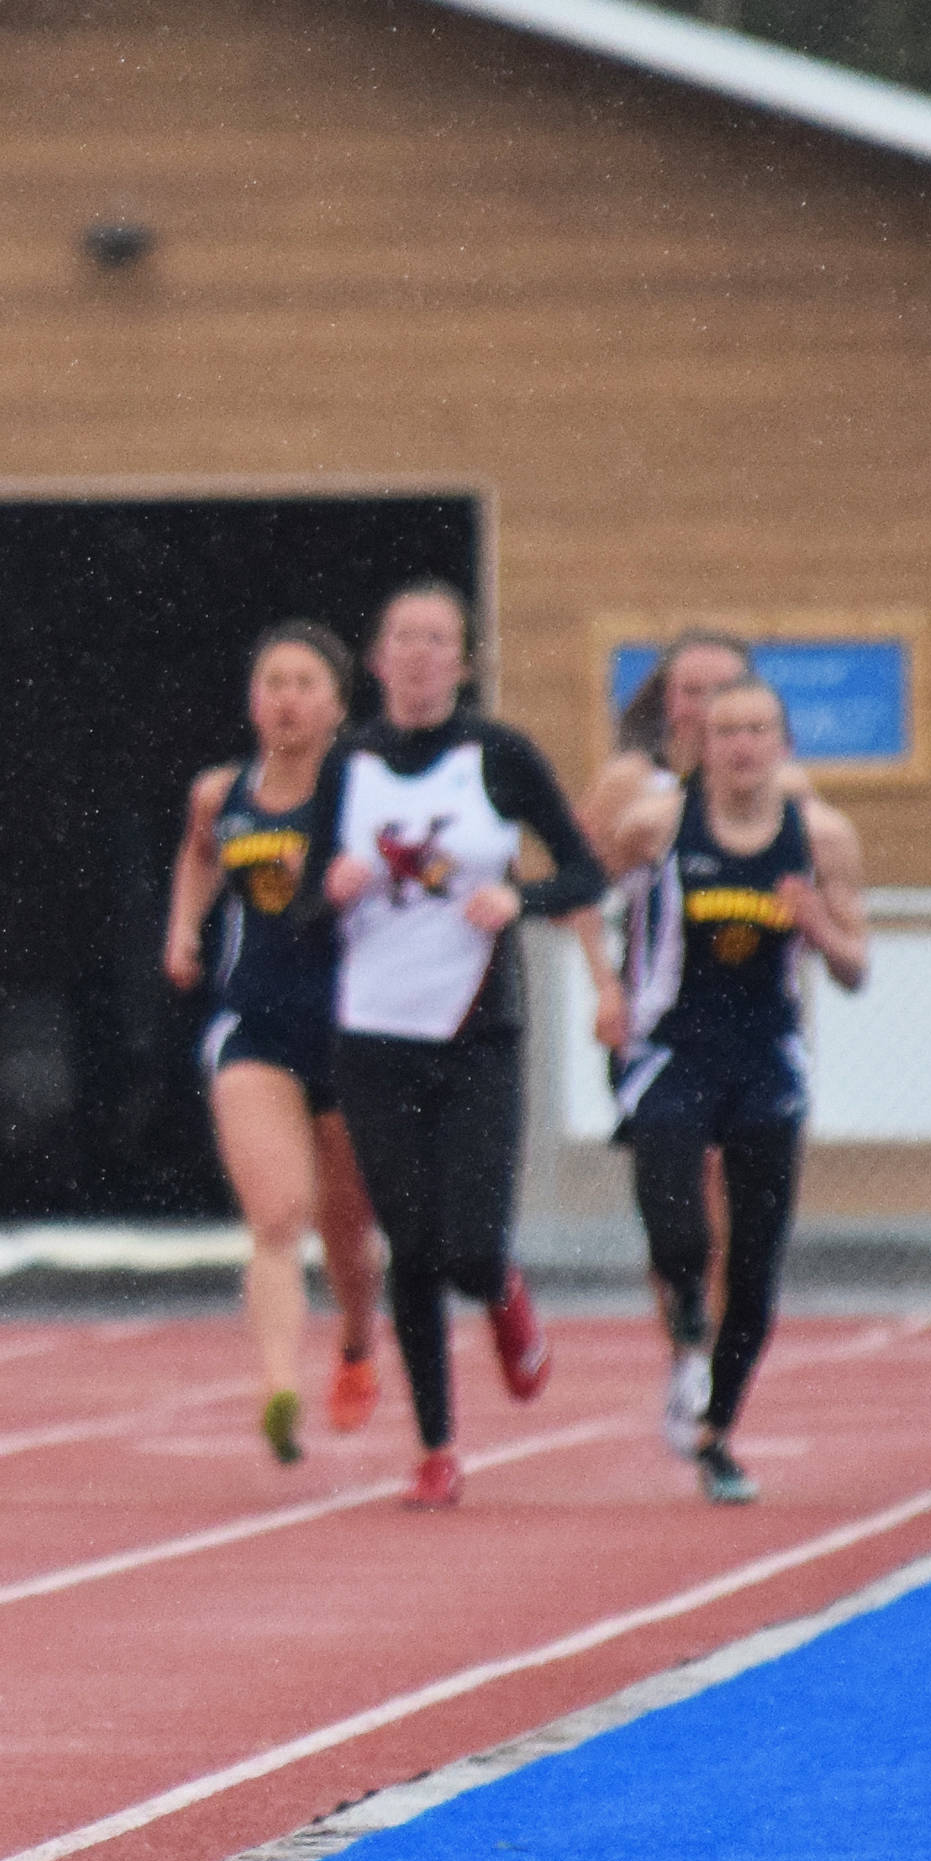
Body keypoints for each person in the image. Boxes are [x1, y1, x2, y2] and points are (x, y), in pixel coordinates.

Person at [300, 581, 607, 1508]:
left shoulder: (499, 756)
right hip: (374, 1033)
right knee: (414, 1247)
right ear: (379, 660)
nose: (423, 654)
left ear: (464, 662)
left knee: (471, 1244)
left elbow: (586, 869)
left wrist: (521, 899)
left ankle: (504, 1292)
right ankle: (436, 1446)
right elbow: (302, 910)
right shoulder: (346, 762)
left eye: (440, 639)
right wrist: (335, 889)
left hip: (477, 1031)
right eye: (405, 638)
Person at [607, 675, 867, 1503]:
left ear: (784, 743)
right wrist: (610, 988)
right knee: (673, 1209)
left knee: (754, 1265)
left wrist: (816, 924)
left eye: (758, 729)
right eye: (726, 731)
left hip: (766, 1058)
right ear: (703, 746)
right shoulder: (655, 826)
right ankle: (683, 1299)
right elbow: (595, 895)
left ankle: (718, 1431)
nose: (743, 745)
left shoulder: (821, 836)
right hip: (674, 1048)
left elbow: (856, 967)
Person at [164, 623, 381, 1464]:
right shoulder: (222, 793)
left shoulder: (361, 791)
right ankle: (279, 1384)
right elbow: (198, 857)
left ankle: (359, 1344)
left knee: (348, 1230)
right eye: (272, 683)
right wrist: (183, 929)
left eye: (304, 684)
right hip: (254, 1024)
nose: (286, 699)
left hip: (352, 1027)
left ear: (335, 705)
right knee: (276, 1215)